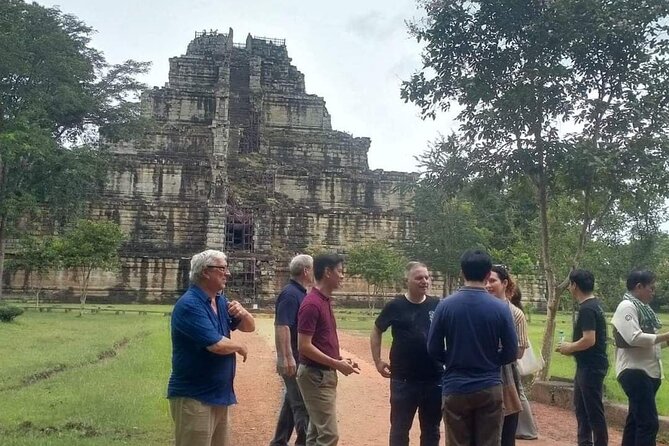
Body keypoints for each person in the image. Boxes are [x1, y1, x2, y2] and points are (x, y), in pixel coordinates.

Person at [427, 249, 518, 446]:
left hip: (456, 386)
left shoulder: (445, 306)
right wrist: (490, 360)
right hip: (489, 385)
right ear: (487, 275)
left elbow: (433, 348)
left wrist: (452, 358)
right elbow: (511, 352)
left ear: (462, 272)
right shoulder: (501, 308)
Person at [167, 249, 256, 446]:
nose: (228, 273)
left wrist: (244, 312)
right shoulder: (190, 305)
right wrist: (239, 346)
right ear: (206, 272)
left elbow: (249, 327)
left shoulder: (220, 301)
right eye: (222, 269)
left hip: (218, 395)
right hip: (194, 397)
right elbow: (215, 344)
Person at [370, 262, 442, 446]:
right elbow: (377, 330)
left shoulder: (437, 305)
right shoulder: (395, 306)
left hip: (434, 379)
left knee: (431, 430)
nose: (424, 281)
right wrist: (377, 360)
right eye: (419, 277)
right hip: (403, 380)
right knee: (400, 429)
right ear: (407, 280)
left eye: (427, 277)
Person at [296, 253, 360, 446]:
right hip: (316, 375)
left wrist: (339, 358)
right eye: (339, 271)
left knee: (316, 433)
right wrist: (335, 363)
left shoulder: (323, 300)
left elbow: (321, 340)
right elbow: (304, 346)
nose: (342, 276)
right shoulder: (312, 304)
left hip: (322, 374)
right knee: (329, 435)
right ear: (327, 272)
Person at [611, 270, 669, 446]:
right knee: (648, 423)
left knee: (635, 421)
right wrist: (665, 336)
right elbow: (634, 338)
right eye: (651, 288)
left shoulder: (643, 309)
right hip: (635, 371)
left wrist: (665, 340)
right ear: (639, 286)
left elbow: (649, 343)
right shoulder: (627, 306)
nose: (653, 292)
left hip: (646, 372)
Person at [556, 269, 608, 446]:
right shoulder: (594, 306)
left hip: (591, 367)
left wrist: (569, 347)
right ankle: (585, 442)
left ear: (574, 285)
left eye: (570, 285)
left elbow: (589, 339)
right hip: (587, 366)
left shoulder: (587, 309)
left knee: (593, 412)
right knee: (582, 409)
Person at [269, 254, 314, 446]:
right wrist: (286, 358)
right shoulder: (290, 294)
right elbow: (282, 326)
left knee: (290, 402)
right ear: (305, 271)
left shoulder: (300, 293)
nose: (315, 272)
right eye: (313, 268)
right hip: (293, 359)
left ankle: (278, 442)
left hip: (297, 357)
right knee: (302, 406)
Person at [485, 265, 529, 446]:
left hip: (507, 375)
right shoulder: (481, 310)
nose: (488, 285)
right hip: (483, 374)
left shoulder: (516, 314)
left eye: (492, 281)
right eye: (485, 281)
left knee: (508, 428)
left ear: (504, 283)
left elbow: (519, 351)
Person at [509, 287, 539, 441]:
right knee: (517, 392)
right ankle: (525, 428)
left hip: (513, 359)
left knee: (518, 392)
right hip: (515, 358)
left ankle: (528, 429)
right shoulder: (515, 311)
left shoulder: (515, 313)